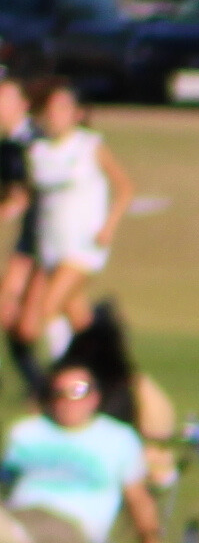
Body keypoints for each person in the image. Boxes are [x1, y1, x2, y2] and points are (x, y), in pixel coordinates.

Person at [2, 355, 157, 543]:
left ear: (94, 397)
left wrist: (151, 541)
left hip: (72, 525)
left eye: (78, 391)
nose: (68, 401)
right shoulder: (26, 432)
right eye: (59, 393)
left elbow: (137, 496)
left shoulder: (118, 438)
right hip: (20, 513)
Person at [23, 79, 124, 358]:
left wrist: (108, 226)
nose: (56, 115)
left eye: (64, 108)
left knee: (48, 308)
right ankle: (107, 365)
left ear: (77, 113)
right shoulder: (38, 152)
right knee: (79, 317)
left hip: (83, 242)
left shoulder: (89, 146)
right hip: (52, 245)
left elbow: (125, 188)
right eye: (52, 109)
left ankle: (64, 370)